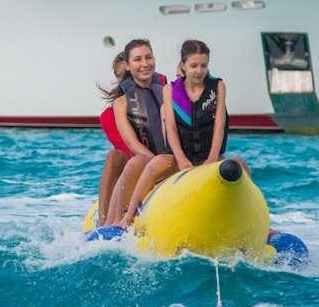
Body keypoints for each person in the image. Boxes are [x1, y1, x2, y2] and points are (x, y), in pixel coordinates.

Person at [118, 39, 231, 227]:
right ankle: (128, 217)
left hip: (210, 157)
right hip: (180, 159)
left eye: (204, 65)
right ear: (183, 65)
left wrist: (212, 158)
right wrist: (180, 158)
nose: (199, 70)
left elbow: (220, 123)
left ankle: (265, 227)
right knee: (155, 164)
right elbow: (170, 127)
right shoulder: (170, 90)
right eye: (193, 65)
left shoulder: (217, 87)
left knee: (240, 165)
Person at [101, 39, 168, 226]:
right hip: (142, 162)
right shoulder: (118, 106)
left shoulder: (168, 91)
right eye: (137, 60)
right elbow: (131, 145)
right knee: (122, 158)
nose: (144, 64)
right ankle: (108, 221)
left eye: (148, 58)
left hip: (168, 160)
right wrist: (154, 162)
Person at [95, 52, 130, 220]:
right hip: (133, 168)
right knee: (114, 155)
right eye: (124, 77)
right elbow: (127, 151)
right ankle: (103, 221)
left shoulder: (161, 95)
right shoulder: (109, 116)